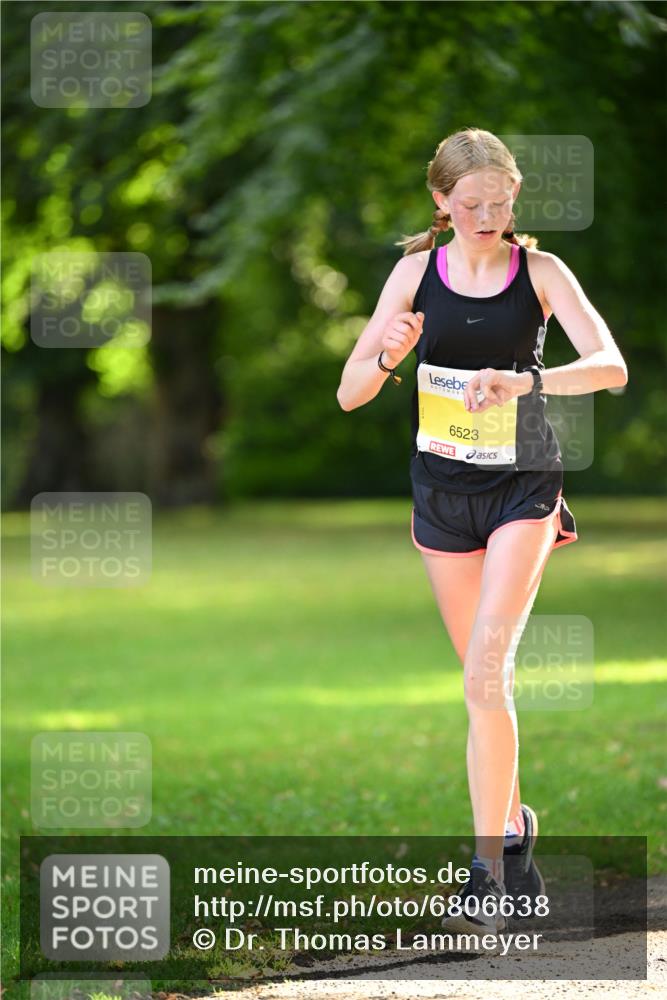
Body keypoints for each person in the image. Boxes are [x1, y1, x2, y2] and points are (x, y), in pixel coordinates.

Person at [336, 127, 628, 934]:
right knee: (482, 681)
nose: (487, 216)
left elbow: (610, 365)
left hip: (522, 489)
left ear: (514, 196)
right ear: (440, 200)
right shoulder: (411, 275)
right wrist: (389, 354)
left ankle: (485, 878)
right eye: (470, 204)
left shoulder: (541, 271)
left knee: (485, 675)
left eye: (500, 202)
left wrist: (525, 381)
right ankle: (516, 835)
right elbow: (349, 393)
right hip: (441, 495)